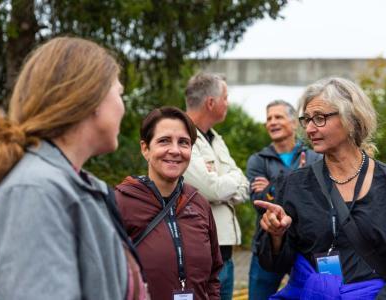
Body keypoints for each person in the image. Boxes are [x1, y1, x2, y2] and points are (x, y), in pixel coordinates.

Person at [0, 37, 147, 299]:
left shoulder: (70, 185)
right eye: (119, 93)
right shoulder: (33, 191)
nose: (123, 107)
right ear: (93, 99)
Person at [255, 77, 386, 299]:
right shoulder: (295, 184)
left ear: (351, 118)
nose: (310, 128)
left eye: (320, 118)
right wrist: (276, 236)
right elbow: (274, 265)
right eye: (307, 119)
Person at [114, 106, 223, 299]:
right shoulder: (120, 203)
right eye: (164, 141)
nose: (175, 150)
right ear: (145, 148)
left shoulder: (199, 204)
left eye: (183, 142)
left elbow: (213, 276)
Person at [183, 72, 249, 300]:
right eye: (226, 97)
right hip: (202, 259)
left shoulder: (215, 138)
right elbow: (212, 190)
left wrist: (224, 185)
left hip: (226, 259)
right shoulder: (181, 136)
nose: (228, 103)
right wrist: (229, 183)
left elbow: (244, 188)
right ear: (211, 102)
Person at [246, 100, 321, 300]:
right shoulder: (258, 160)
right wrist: (297, 177)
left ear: (294, 123)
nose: (272, 122)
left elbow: (318, 200)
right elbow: (260, 202)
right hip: (269, 245)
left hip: (307, 247)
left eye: (278, 117)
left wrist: (272, 185)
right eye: (269, 118)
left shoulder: (315, 157)